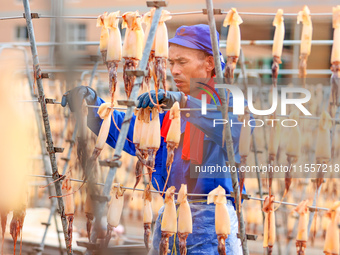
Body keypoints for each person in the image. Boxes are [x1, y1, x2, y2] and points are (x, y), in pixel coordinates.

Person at [62, 24, 251, 254]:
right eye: (171, 63)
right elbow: (130, 133)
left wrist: (183, 102)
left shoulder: (228, 104)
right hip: (170, 217)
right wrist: (92, 106)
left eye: (182, 62)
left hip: (212, 226)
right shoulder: (170, 115)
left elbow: (233, 131)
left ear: (209, 63)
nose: (174, 70)